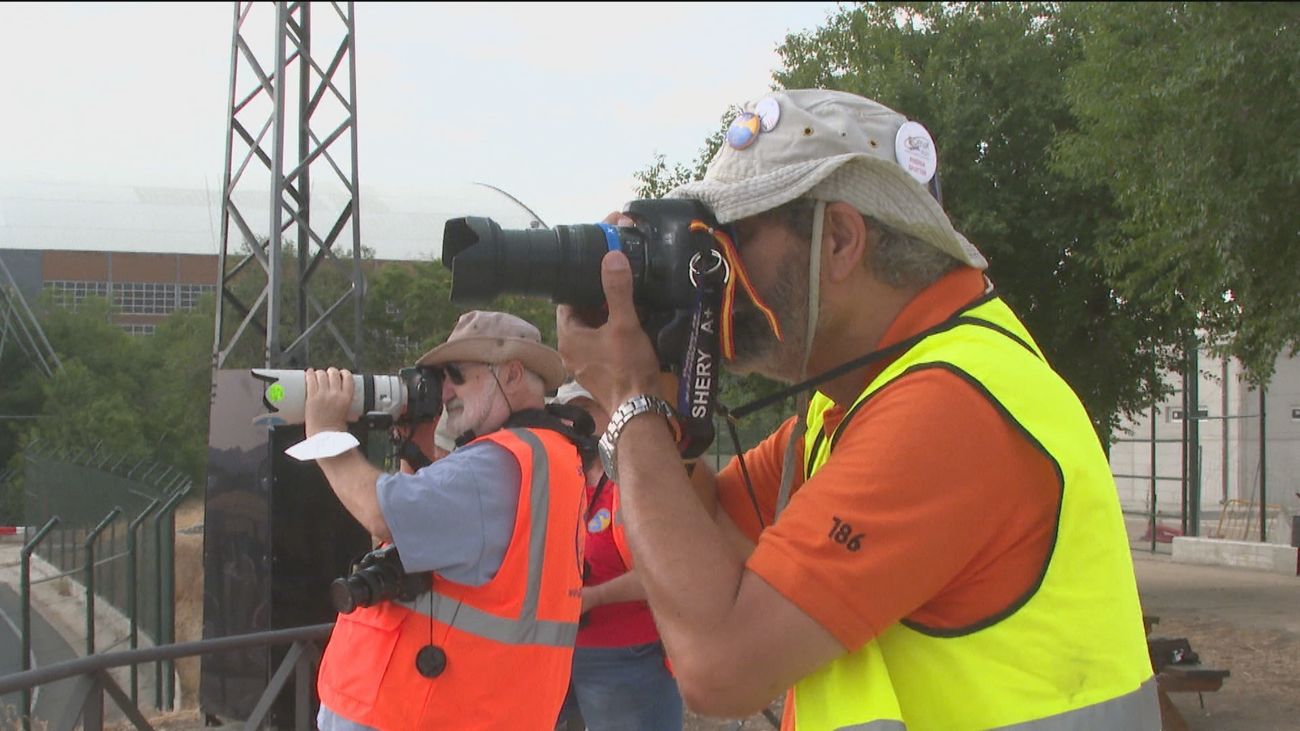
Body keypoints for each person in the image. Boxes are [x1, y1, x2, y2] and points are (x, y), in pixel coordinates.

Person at [556, 89, 1159, 730]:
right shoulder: (849, 406)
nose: (713, 269)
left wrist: (629, 400)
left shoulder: (951, 408)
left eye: (735, 236)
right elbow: (700, 547)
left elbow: (717, 666)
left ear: (840, 239)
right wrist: (661, 372)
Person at [305, 310, 589, 731]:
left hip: (420, 709)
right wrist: (415, 450)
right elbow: (409, 542)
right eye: (440, 380)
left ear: (511, 374)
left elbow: (381, 514)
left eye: (457, 374)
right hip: (475, 707)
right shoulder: (550, 456)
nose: (446, 392)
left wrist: (326, 436)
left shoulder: (495, 464)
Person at [551, 380, 684, 731]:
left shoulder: (634, 483)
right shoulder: (561, 482)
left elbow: (659, 574)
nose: (574, 423)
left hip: (627, 659)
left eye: (586, 411)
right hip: (559, 654)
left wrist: (592, 598)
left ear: (611, 415)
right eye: (567, 415)